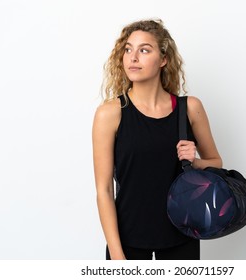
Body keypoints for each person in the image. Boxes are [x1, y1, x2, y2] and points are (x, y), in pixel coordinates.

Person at [92, 19, 222, 260]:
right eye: (128, 49)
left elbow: (216, 162)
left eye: (144, 50)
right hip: (127, 241)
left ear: (163, 59)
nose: (133, 57)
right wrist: (118, 256)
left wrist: (195, 161)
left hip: (182, 236)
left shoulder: (189, 108)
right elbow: (104, 191)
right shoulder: (110, 113)